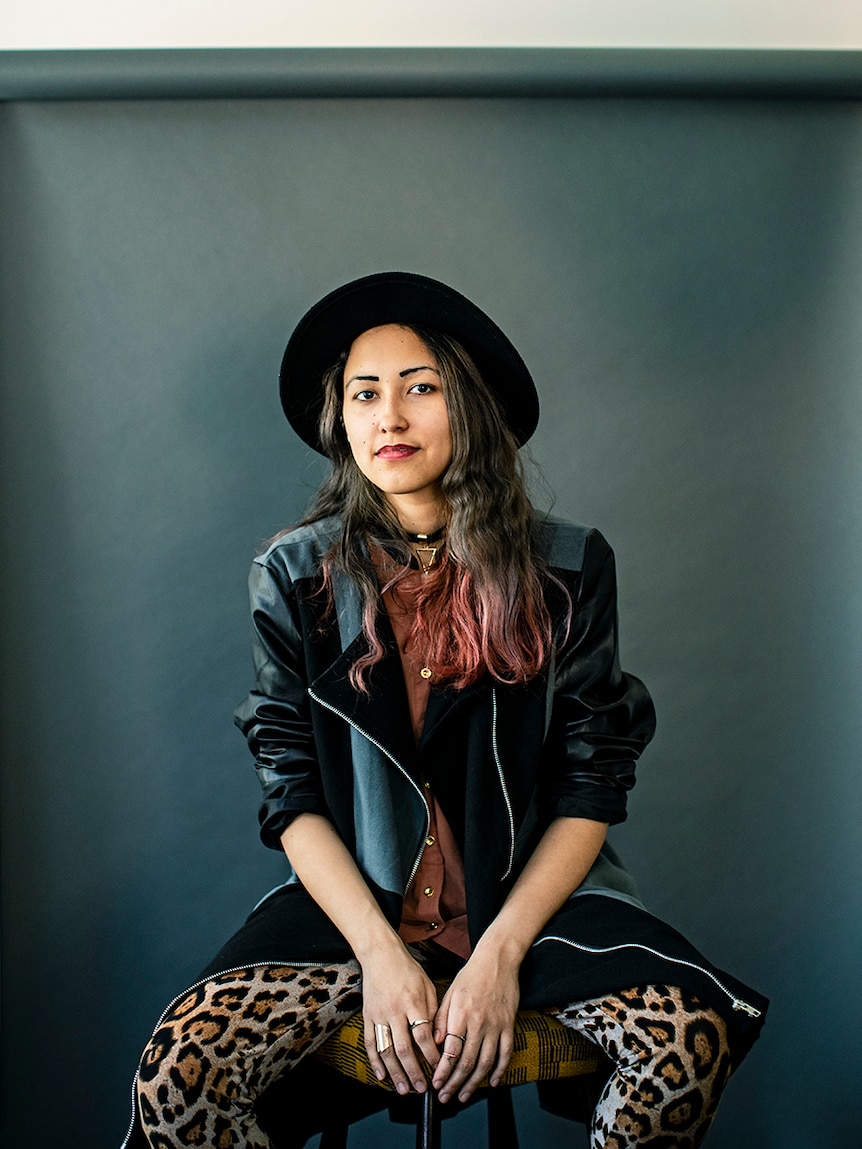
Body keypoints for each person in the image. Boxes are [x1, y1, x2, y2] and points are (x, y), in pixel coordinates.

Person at [125, 272, 767, 1149]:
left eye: (419, 387)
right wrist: (382, 956)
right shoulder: (294, 575)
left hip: (533, 909)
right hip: (355, 907)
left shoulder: (568, 567)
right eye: (364, 393)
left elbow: (593, 781)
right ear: (341, 420)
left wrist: (499, 955)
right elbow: (292, 795)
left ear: (467, 404)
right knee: (179, 1070)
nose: (389, 416)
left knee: (686, 1044)